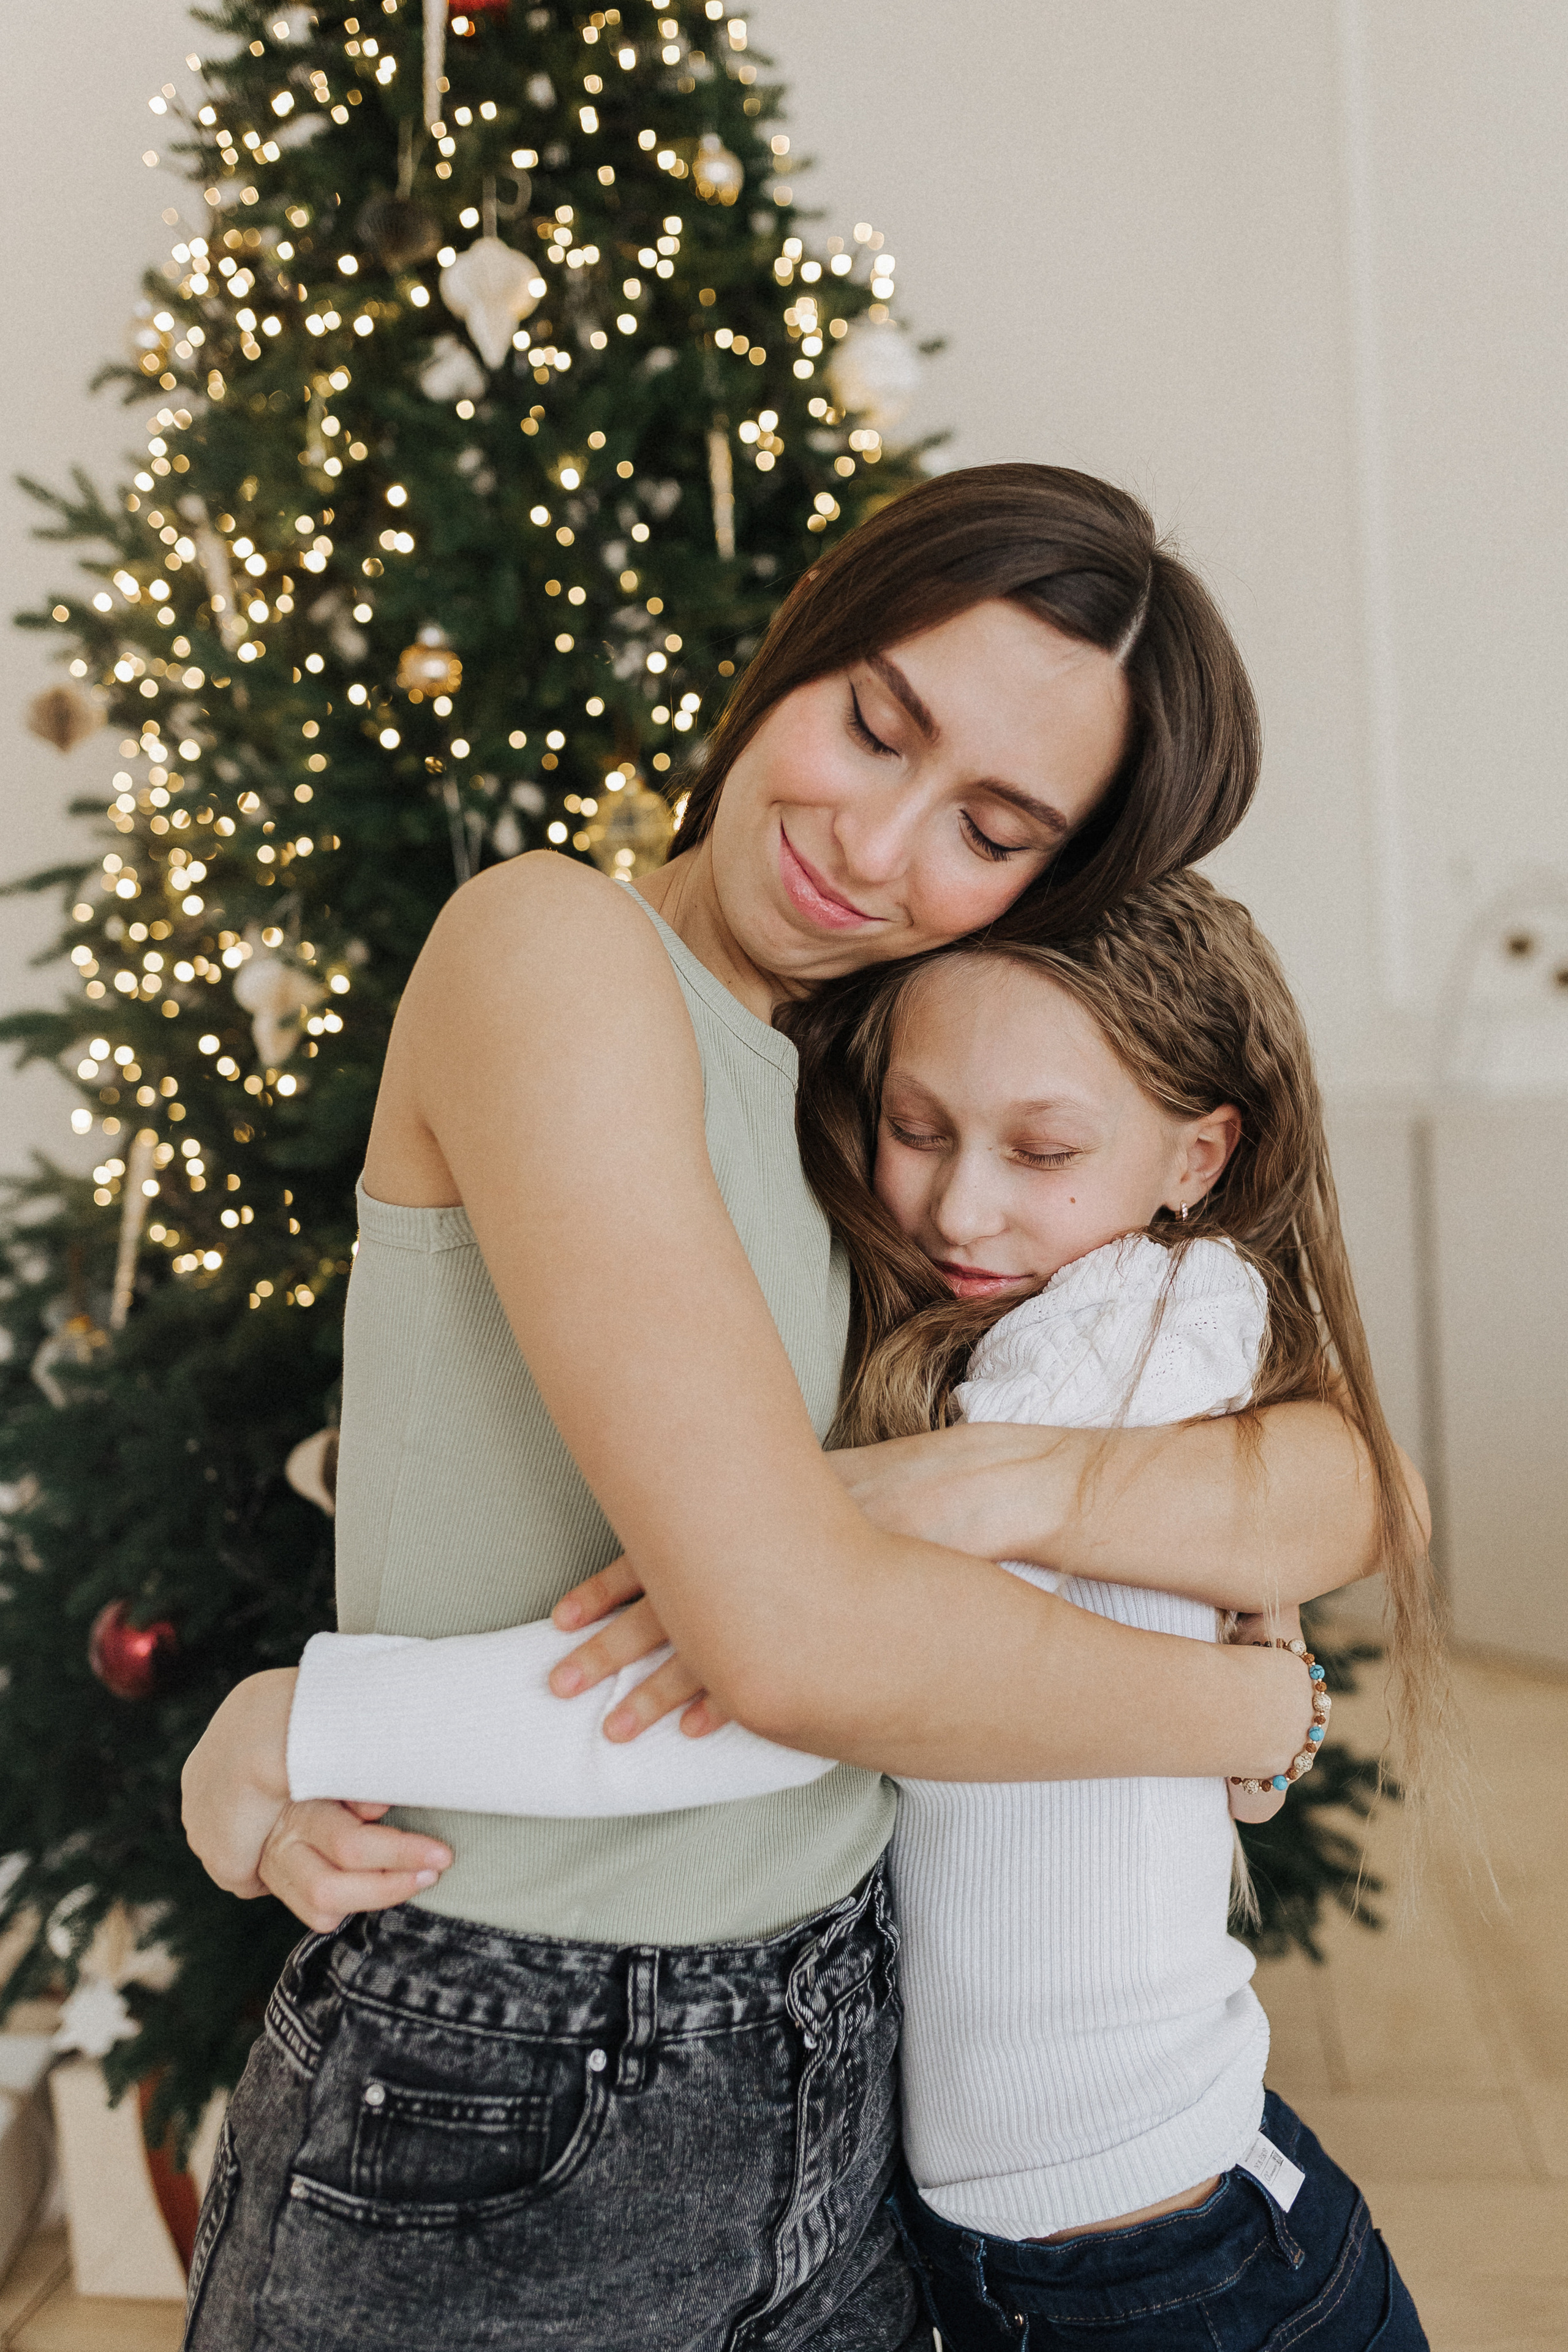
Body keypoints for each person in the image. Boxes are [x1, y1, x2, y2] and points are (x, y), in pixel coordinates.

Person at [179, 467, 1417, 2352]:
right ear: (802, 652)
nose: (874, 838)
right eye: (874, 722)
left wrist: (988, 1482)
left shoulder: (883, 1112)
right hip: (520, 2073)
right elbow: (785, 1633)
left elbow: (1336, 1482)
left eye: (988, 830)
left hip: (837, 2056)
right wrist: (1254, 1702)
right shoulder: (560, 951)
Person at [400, 874, 1431, 2345]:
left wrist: (320, 1726)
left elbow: (763, 1666)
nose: (960, 1203)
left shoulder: (1133, 1324)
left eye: (1043, 1148)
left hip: (1169, 2260)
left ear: (1197, 1156)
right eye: (917, 1127)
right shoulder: (978, 1336)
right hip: (1036, 2245)